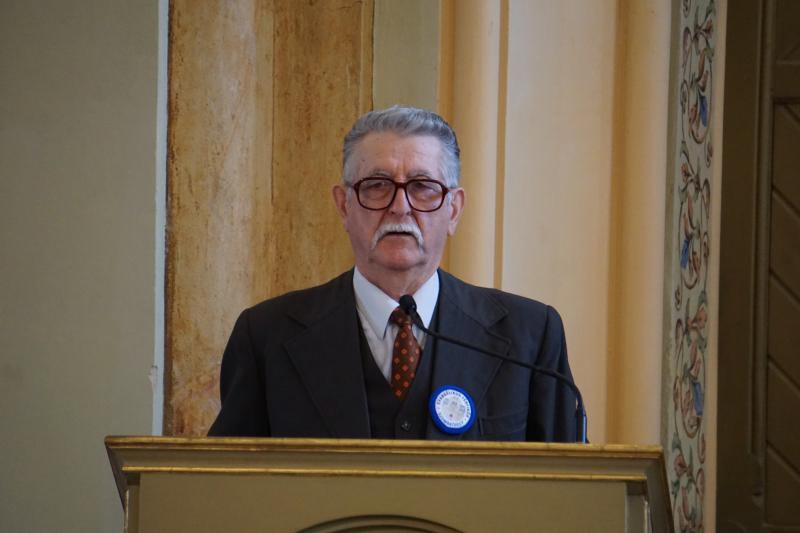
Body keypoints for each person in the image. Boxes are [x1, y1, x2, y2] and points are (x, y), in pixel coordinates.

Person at [208, 106, 579, 441]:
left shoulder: (529, 336)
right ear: (344, 206)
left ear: (453, 210)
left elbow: (568, 483)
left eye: (422, 187)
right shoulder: (267, 337)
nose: (400, 207)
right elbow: (229, 484)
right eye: (377, 186)